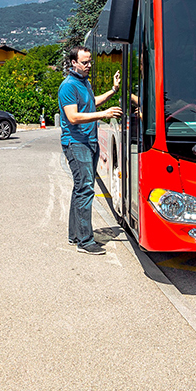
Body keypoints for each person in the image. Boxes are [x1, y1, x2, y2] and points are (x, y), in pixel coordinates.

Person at [59, 46, 121, 255]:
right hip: (76, 143)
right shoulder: (68, 86)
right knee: (85, 189)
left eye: (89, 62)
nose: (88, 66)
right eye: (84, 62)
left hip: (89, 142)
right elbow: (74, 117)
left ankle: (74, 235)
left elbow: (90, 104)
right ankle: (85, 241)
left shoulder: (84, 83)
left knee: (80, 189)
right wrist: (104, 114)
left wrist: (113, 91)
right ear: (73, 63)